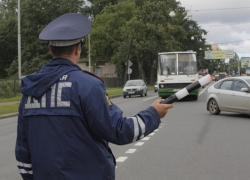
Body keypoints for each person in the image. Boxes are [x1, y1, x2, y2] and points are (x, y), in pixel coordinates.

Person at [15, 13, 173, 180]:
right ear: (78, 49)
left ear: (50, 49)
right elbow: (119, 131)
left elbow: (23, 152)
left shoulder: (30, 91)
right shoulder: (88, 85)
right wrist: (153, 113)